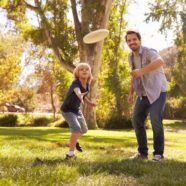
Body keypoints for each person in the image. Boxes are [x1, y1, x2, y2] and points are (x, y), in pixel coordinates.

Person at [125, 30, 168, 162]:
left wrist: (141, 71)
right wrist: (131, 93)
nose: (132, 42)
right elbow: (135, 76)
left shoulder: (149, 52)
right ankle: (142, 152)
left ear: (139, 40)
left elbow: (160, 62)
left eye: (134, 39)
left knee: (155, 120)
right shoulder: (130, 57)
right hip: (143, 94)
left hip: (157, 91)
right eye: (129, 40)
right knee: (137, 120)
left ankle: (158, 153)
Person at [61, 62, 96, 159]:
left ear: (89, 73)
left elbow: (83, 97)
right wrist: (79, 95)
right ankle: (70, 154)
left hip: (76, 110)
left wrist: (89, 103)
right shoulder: (75, 82)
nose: (84, 70)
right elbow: (77, 91)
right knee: (76, 128)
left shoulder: (88, 85)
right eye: (82, 69)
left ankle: (74, 141)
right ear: (77, 73)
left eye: (87, 69)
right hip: (67, 110)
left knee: (84, 130)